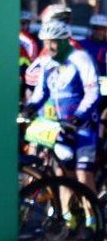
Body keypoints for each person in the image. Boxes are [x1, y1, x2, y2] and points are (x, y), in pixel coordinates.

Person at [25, 16, 100, 193]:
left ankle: (92, 210)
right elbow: (41, 93)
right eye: (46, 42)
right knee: (63, 174)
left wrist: (78, 117)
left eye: (54, 42)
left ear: (65, 41)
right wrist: (29, 109)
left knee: (83, 173)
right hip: (61, 126)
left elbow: (92, 92)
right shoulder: (47, 63)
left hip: (83, 125)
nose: (49, 47)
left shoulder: (80, 58)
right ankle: (67, 211)